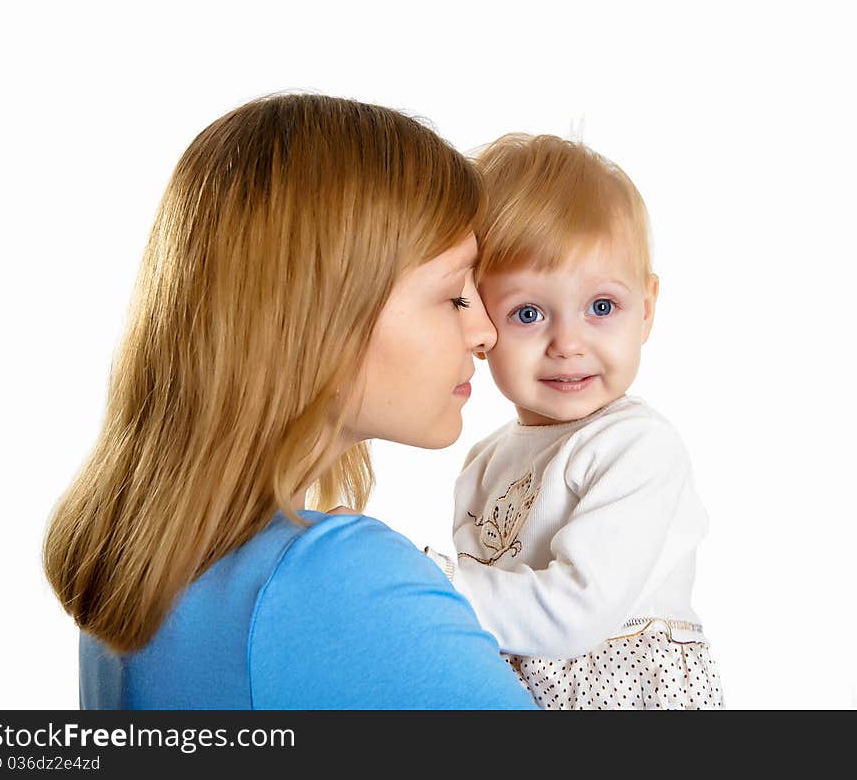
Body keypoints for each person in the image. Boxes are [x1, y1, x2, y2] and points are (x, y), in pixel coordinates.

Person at [42, 94, 537, 710]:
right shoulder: (335, 581)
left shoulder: (140, 575)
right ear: (322, 320)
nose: (486, 331)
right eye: (453, 296)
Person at [424, 133, 725, 709]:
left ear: (647, 309)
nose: (568, 343)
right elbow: (480, 623)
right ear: (481, 323)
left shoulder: (636, 446)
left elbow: (574, 610)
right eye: (529, 313)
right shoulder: (484, 461)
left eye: (602, 307)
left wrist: (424, 584)